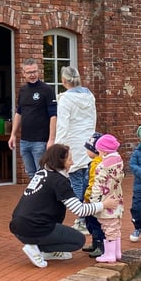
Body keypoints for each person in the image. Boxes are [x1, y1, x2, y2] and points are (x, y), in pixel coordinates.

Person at [9, 143, 118, 268]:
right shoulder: (59, 181)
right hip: (36, 226)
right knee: (78, 240)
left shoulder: (42, 173)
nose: (72, 163)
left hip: (17, 226)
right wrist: (104, 204)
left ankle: (45, 251)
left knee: (60, 234)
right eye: (69, 159)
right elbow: (79, 210)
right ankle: (36, 247)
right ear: (60, 161)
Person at [54, 65, 96, 233]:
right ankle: (87, 218)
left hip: (73, 144)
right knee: (88, 182)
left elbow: (62, 125)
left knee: (76, 182)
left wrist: (58, 147)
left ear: (64, 80)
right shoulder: (89, 96)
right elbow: (93, 120)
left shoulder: (66, 99)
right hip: (88, 144)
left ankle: (82, 219)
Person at [8, 58, 57, 178]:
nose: (32, 75)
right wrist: (13, 135)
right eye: (29, 72)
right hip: (25, 141)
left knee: (42, 174)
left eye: (34, 71)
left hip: (41, 141)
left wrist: (51, 139)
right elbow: (19, 113)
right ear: (23, 73)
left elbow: (53, 116)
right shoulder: (23, 91)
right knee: (31, 174)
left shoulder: (47, 90)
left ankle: (43, 192)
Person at [90, 134, 125, 263]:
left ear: (104, 151)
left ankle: (110, 254)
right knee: (115, 227)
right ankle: (117, 252)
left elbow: (98, 185)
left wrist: (94, 201)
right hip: (117, 200)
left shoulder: (102, 167)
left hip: (106, 201)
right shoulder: (119, 164)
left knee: (108, 227)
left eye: (99, 151)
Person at [80, 132, 106, 258]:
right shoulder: (93, 162)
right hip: (90, 198)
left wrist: (87, 197)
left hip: (93, 199)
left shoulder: (96, 164)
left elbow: (92, 183)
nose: (86, 151)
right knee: (90, 222)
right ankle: (95, 243)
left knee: (95, 222)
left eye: (88, 148)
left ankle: (100, 245)